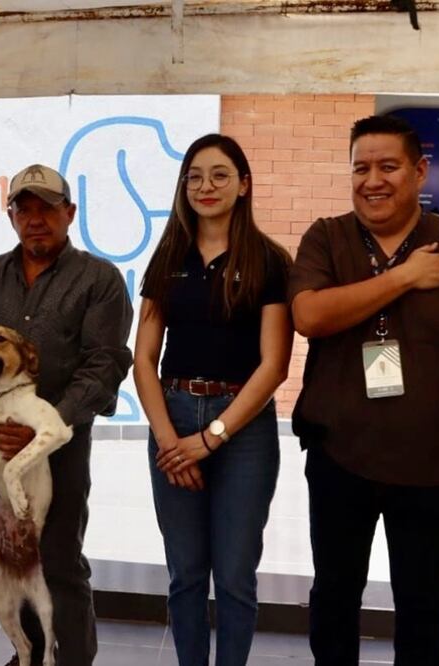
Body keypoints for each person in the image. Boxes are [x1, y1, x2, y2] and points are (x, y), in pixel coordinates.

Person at [289, 114, 439, 665]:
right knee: (335, 596)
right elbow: (309, 315)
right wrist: (404, 277)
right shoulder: (327, 237)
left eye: (388, 166)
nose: (372, 180)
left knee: (423, 602)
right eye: (360, 168)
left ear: (420, 171)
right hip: (339, 456)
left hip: (430, 464)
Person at [0, 163, 133, 666]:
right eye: (24, 209)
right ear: (11, 216)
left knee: (57, 564)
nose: (35, 219)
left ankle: (71, 658)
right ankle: (29, 655)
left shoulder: (100, 279)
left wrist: (39, 425)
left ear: (69, 213)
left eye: (47, 209)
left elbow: (104, 364)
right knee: (8, 560)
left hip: (60, 447)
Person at [132, 134, 292, 666]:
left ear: (244, 185)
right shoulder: (169, 255)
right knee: (185, 575)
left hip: (243, 428)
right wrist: (170, 441)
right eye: (195, 176)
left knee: (235, 576)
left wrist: (211, 437)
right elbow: (144, 358)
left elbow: (274, 365)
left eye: (220, 175)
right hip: (173, 418)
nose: (206, 186)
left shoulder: (270, 260)